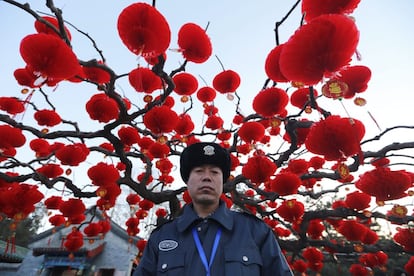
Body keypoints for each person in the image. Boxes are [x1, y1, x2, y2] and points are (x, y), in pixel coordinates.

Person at [134, 142, 293, 275]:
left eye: (215, 172)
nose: (207, 177)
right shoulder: (162, 236)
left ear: (222, 182)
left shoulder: (255, 231)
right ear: (187, 181)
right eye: (199, 171)